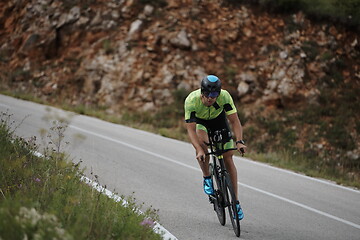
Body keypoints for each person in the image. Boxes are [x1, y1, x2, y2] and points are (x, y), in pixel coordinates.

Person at [184, 75, 246, 220]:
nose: (211, 98)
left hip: (218, 121)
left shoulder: (224, 97)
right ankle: (206, 177)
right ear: (202, 92)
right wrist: (198, 149)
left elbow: (235, 121)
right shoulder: (191, 101)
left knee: (228, 156)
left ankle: (235, 202)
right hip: (200, 123)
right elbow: (190, 130)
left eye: (214, 95)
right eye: (207, 94)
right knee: (203, 148)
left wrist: (239, 141)